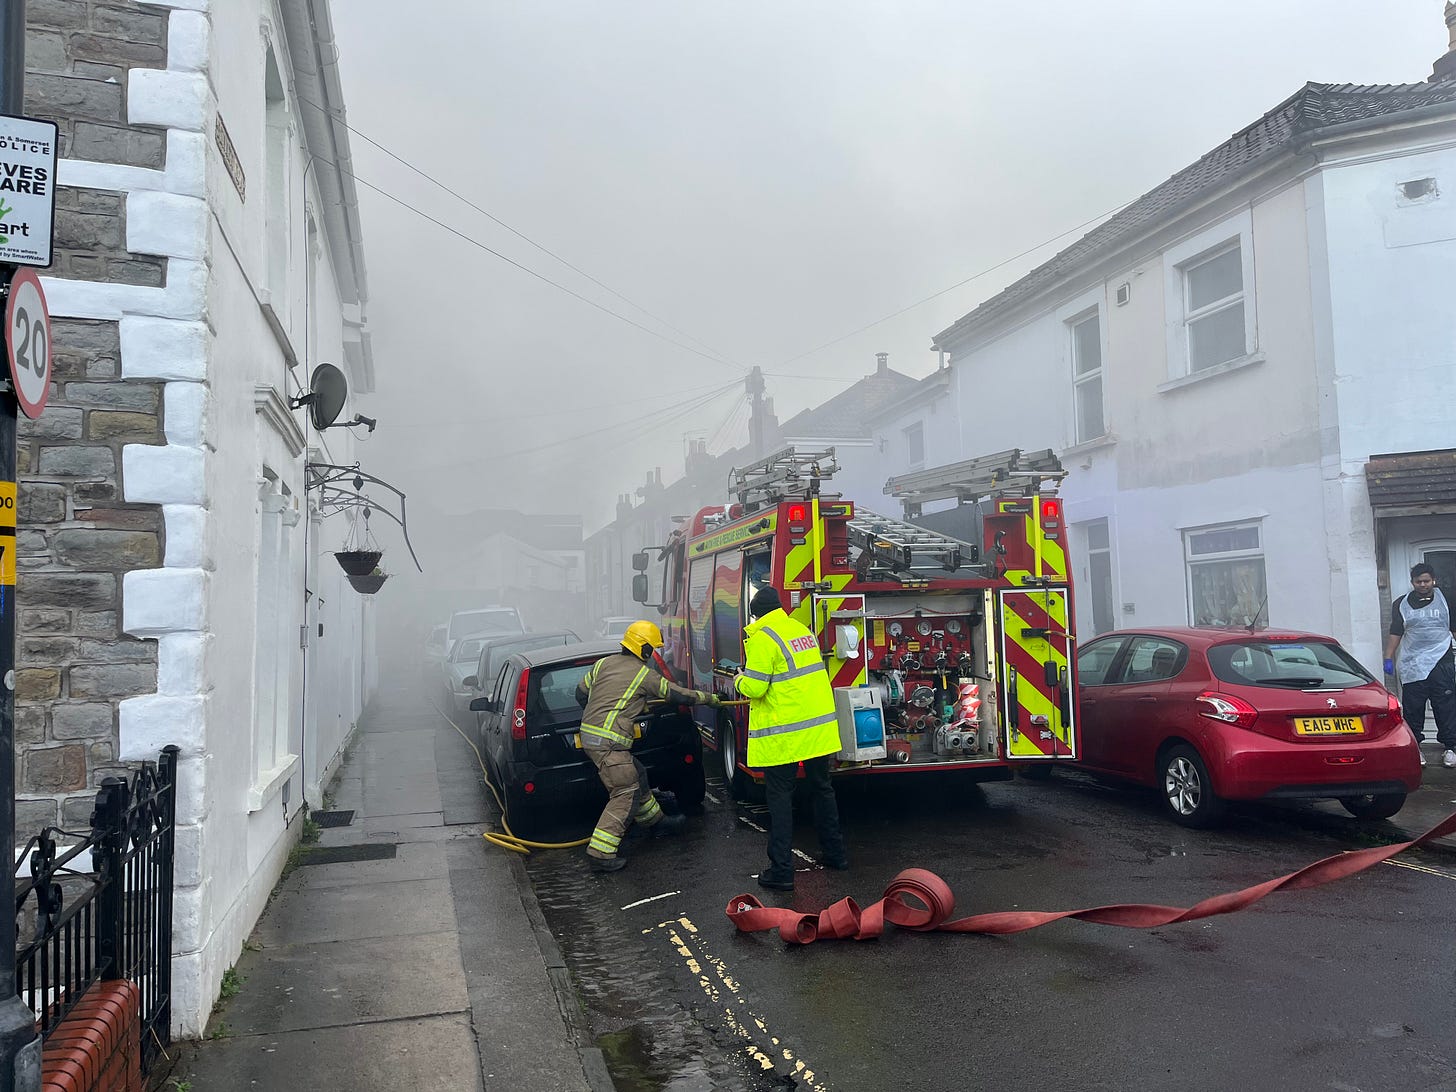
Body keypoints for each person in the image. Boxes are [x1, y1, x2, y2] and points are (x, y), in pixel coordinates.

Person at [576, 620, 721, 873]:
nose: (652, 653)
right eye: (651, 648)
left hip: (590, 737)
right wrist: (709, 699)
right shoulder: (643, 675)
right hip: (609, 743)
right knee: (625, 790)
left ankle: (656, 822)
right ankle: (600, 853)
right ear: (643, 648)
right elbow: (676, 694)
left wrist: (620, 706)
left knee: (638, 774)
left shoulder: (603, 664)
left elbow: (581, 694)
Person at [734, 587, 848, 891]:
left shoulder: (762, 638)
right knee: (822, 790)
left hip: (785, 734)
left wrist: (739, 678)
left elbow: (755, 688)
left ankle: (782, 871)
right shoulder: (801, 630)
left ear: (756, 615)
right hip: (818, 730)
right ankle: (836, 855)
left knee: (780, 799)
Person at [1384, 563, 1456, 769]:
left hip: (1441, 662)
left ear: (1433, 580)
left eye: (1426, 581)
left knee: (1445, 706)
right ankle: (1415, 747)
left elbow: (1454, 628)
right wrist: (1388, 657)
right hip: (1413, 664)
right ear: (1412, 582)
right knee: (1413, 708)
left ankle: (1450, 747)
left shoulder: (1447, 600)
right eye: (1418, 582)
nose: (1423, 585)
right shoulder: (1401, 604)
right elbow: (1396, 632)